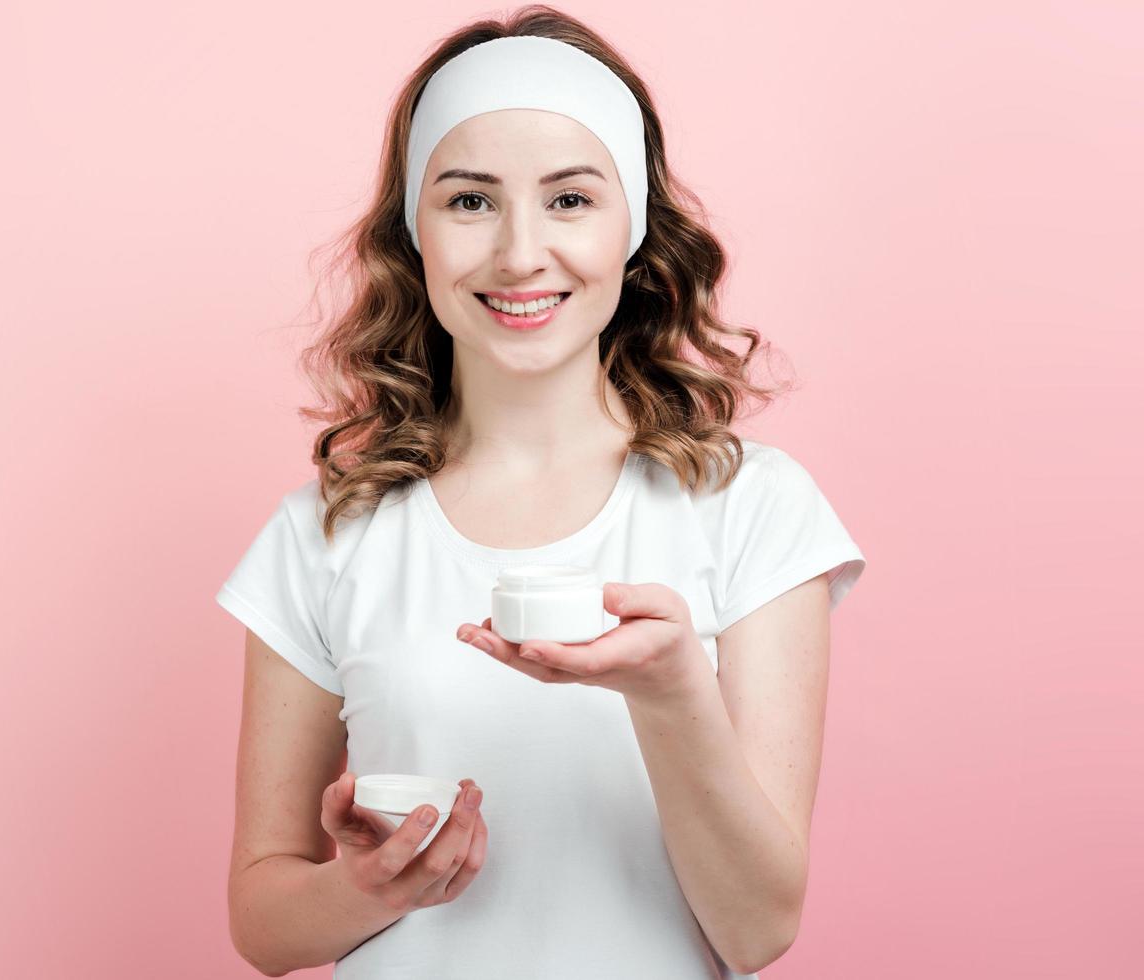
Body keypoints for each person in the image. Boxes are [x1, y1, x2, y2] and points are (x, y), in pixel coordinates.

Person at [215, 9, 867, 979]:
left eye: (568, 200)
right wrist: (368, 885)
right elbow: (263, 923)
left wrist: (668, 687)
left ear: (633, 225)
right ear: (414, 230)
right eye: (469, 201)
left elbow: (756, 924)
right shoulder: (325, 531)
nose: (520, 254)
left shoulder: (753, 509)